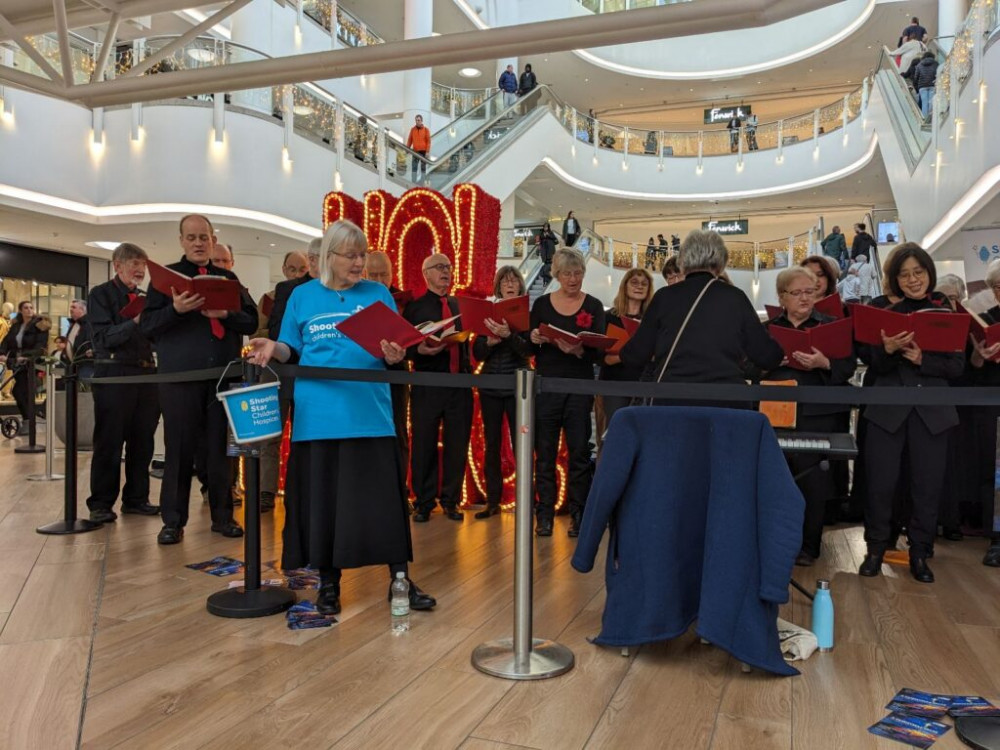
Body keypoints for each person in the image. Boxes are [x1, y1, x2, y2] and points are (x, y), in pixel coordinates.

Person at [246, 220, 435, 615]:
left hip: (372, 414)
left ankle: (399, 580)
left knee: (385, 502)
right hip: (318, 418)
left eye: (362, 254)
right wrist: (270, 345)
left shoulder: (378, 292)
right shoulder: (302, 296)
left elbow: (392, 349)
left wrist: (396, 354)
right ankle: (329, 585)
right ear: (329, 257)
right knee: (324, 504)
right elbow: (289, 348)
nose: (359, 262)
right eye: (351, 255)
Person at [140, 214, 258, 545]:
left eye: (203, 236)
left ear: (211, 238)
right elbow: (148, 326)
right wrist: (175, 309)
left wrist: (226, 314)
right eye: (191, 237)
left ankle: (223, 517)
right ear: (181, 241)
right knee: (178, 450)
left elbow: (250, 321)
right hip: (180, 379)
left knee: (222, 451)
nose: (198, 242)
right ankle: (173, 522)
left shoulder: (228, 277)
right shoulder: (165, 281)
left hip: (223, 376)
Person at [858, 244, 965, 583]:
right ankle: (875, 549)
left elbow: (957, 368)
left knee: (927, 486)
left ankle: (920, 552)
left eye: (919, 272)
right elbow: (872, 363)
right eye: (904, 274)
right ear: (895, 280)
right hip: (887, 411)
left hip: (933, 413)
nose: (913, 279)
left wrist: (922, 361)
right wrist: (887, 350)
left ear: (929, 273)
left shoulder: (946, 312)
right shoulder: (885, 315)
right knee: (880, 484)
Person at [621, 230, 783, 408]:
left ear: (682, 263)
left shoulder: (664, 297)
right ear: (721, 264)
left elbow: (634, 355)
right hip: (725, 400)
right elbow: (766, 356)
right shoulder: (735, 297)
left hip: (672, 399)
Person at [762, 267, 856, 566]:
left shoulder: (832, 325)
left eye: (810, 292)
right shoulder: (767, 329)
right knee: (775, 479)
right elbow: (747, 366)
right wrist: (769, 363)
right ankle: (773, 542)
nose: (805, 298)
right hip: (775, 413)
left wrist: (824, 362)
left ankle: (809, 546)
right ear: (782, 297)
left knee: (812, 483)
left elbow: (848, 367)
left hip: (817, 413)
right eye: (797, 293)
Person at [530, 248, 605, 538]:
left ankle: (579, 514)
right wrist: (534, 337)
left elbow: (599, 349)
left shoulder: (595, 306)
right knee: (545, 454)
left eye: (577, 273)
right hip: (547, 387)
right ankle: (544, 515)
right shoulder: (542, 305)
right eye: (566, 273)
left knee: (579, 453)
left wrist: (580, 349)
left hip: (579, 387)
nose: (573, 278)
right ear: (557, 275)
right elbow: (529, 347)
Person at [85, 243, 161, 523]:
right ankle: (101, 503)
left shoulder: (146, 298)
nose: (140, 270)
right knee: (109, 441)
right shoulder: (100, 295)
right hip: (114, 376)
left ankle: (137, 499)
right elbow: (103, 339)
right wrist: (136, 321)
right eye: (134, 264)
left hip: (147, 376)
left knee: (143, 440)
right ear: (117, 265)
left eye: (143, 264)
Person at [403, 253, 472, 523]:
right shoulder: (415, 308)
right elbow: (405, 345)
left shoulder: (460, 305)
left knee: (458, 444)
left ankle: (451, 501)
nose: (446, 271)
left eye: (449, 267)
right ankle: (423, 502)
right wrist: (418, 350)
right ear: (426, 273)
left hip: (460, 384)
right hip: (427, 383)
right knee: (423, 444)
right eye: (440, 267)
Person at [472, 266, 532, 519]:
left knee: (522, 444)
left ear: (520, 285)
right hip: (490, 386)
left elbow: (528, 351)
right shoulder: (488, 314)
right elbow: (477, 353)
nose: (509, 283)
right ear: (498, 286)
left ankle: (525, 500)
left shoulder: (526, 313)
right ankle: (493, 501)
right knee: (492, 444)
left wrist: (509, 336)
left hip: (518, 386)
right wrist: (490, 341)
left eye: (514, 280)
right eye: (505, 280)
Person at [364, 251, 411, 482]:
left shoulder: (405, 301)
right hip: (365, 377)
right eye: (374, 275)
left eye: (384, 275)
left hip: (396, 375)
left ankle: (400, 488)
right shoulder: (356, 298)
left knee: (399, 431)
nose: (380, 280)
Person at [969, 260, 1000, 567]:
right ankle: (997, 539)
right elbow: (972, 369)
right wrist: (980, 356)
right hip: (993, 403)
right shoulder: (986, 320)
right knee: (996, 473)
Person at [600, 269, 654, 438]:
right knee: (616, 432)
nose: (639, 286)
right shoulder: (608, 317)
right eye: (635, 282)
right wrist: (620, 357)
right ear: (625, 286)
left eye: (644, 284)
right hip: (614, 382)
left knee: (643, 433)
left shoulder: (651, 319)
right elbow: (600, 354)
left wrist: (622, 356)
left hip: (644, 383)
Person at [0, 301, 49, 425]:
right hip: (17, 363)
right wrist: (2, 353)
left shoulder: (40, 325)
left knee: (21, 391)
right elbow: (7, 341)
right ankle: (28, 419)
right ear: (21, 310)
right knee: (19, 391)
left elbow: (40, 346)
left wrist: (25, 356)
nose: (29, 310)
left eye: (31, 307)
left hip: (31, 363)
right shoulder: (16, 325)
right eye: (26, 308)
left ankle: (29, 420)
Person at [255, 251, 308, 338]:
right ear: (284, 270)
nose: (297, 275)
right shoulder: (269, 299)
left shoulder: (315, 297)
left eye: (302, 270)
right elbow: (257, 332)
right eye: (292, 269)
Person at [64, 298, 95, 380]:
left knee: (84, 389)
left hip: (85, 364)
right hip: (72, 365)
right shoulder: (74, 324)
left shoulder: (89, 324)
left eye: (74, 307)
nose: (71, 309)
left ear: (82, 309)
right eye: (70, 307)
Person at [912, 51, 938, 119]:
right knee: (931, 104)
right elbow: (938, 75)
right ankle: (930, 119)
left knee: (924, 104)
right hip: (932, 85)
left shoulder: (919, 65)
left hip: (922, 87)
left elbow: (916, 77)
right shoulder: (935, 64)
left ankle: (924, 119)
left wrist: (916, 88)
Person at [405, 114, 430, 183]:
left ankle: (422, 182)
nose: (417, 121)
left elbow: (428, 141)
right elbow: (410, 140)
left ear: (421, 121)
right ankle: (413, 182)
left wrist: (427, 151)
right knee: (414, 167)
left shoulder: (426, 130)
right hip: (415, 151)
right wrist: (407, 149)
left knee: (423, 168)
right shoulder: (413, 130)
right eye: (416, 120)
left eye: (418, 120)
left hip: (423, 152)